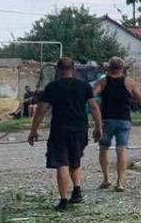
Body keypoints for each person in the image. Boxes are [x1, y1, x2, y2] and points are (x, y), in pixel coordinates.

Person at [28, 57, 103, 211]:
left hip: (60, 128)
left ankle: (63, 200)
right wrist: (98, 126)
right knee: (75, 159)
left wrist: (34, 129)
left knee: (62, 163)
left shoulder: (53, 87)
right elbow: (94, 107)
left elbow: (42, 109)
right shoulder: (83, 86)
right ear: (73, 69)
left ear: (58, 69)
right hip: (80, 128)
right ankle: (77, 190)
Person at [94, 57, 141, 192]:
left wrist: (98, 106)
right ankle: (120, 182)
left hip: (106, 120)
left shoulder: (103, 81)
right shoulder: (129, 82)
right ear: (122, 68)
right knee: (121, 149)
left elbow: (91, 95)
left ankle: (106, 179)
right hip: (124, 119)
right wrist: (132, 102)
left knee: (104, 148)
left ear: (109, 67)